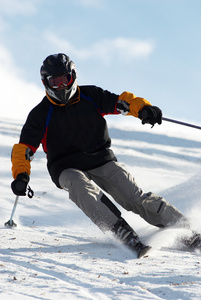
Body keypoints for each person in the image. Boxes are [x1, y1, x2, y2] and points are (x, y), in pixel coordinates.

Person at [11, 53, 201, 258]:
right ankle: (120, 230)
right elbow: (24, 149)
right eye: (54, 81)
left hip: (100, 158)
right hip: (65, 166)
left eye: (64, 79)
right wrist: (21, 176)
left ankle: (185, 230)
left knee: (133, 196)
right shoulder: (40, 113)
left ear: (72, 77)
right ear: (45, 83)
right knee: (80, 187)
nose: (60, 86)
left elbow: (123, 102)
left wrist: (144, 109)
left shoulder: (91, 96)